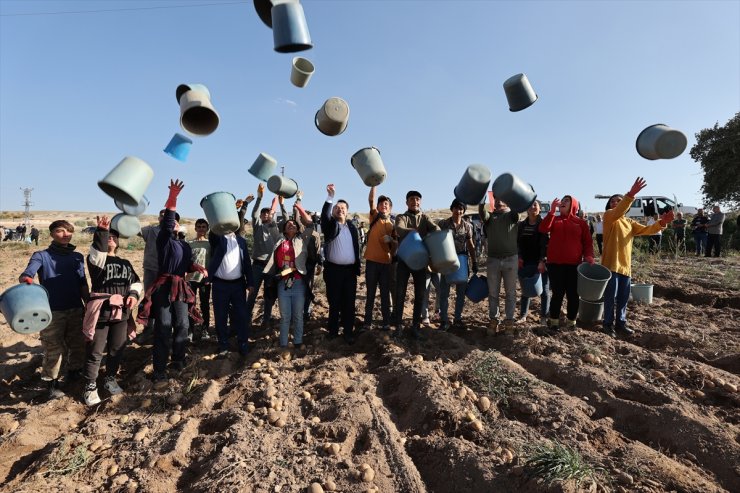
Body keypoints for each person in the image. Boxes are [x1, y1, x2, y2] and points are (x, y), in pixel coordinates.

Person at [136, 180, 207, 389]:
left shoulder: (183, 245)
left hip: (180, 286)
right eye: (171, 221)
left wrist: (197, 268)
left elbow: (185, 264)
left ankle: (178, 358)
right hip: (164, 285)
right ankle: (159, 369)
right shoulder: (164, 239)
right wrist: (173, 197)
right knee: (164, 327)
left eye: (176, 221)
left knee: (183, 324)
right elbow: (167, 220)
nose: (173, 223)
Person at [19, 219, 89, 399]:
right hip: (52, 312)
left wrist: (88, 303)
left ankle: (74, 373)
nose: (65, 234)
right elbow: (28, 274)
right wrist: (27, 279)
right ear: (51, 234)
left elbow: (82, 283)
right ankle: (52, 384)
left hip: (75, 308)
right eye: (60, 231)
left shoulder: (77, 257)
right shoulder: (41, 255)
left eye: (69, 231)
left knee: (78, 344)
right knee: (54, 349)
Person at [601, 177, 673, 337]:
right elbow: (618, 211)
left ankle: (621, 324)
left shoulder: (629, 222)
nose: (615, 203)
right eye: (613, 201)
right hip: (610, 265)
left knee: (623, 299)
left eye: (618, 201)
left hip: (625, 267)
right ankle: (607, 324)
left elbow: (648, 230)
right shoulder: (609, 217)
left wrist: (661, 223)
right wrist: (630, 194)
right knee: (609, 298)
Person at [82, 215, 142, 405]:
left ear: (119, 242)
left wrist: (133, 295)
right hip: (101, 312)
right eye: (108, 236)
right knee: (96, 350)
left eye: (114, 237)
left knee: (117, 349)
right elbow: (97, 251)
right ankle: (90, 386)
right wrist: (101, 231)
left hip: (122, 312)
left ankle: (109, 378)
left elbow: (137, 282)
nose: (111, 239)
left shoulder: (126, 263)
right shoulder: (96, 261)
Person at [539, 194, 594, 331]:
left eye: (567, 201)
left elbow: (587, 242)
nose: (563, 202)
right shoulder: (554, 219)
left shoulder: (581, 223)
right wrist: (551, 212)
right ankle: (554, 322)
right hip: (555, 264)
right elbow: (543, 229)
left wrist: (589, 256)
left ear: (573, 205)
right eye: (562, 200)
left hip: (574, 265)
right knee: (557, 294)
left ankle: (571, 322)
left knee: (573, 294)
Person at [208, 199, 256, 358]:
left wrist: (250, 283)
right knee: (220, 315)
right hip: (220, 285)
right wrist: (230, 210)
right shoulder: (218, 239)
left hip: (238, 285)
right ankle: (223, 344)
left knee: (241, 315)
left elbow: (247, 264)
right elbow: (213, 233)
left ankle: (243, 343)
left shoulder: (241, 241)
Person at [263, 203, 314, 348]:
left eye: (294, 224)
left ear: (298, 228)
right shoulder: (279, 239)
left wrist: (299, 207)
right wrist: (275, 204)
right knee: (285, 316)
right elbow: (271, 221)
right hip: (282, 282)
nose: (291, 225)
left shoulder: (302, 239)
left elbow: (310, 224)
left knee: (298, 315)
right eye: (288, 224)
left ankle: (298, 341)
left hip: (298, 282)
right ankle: (283, 343)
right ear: (284, 228)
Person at [394, 190, 440, 339]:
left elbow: (436, 229)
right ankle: (399, 327)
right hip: (404, 260)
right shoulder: (402, 217)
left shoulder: (424, 217)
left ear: (420, 202)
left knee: (420, 295)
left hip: (421, 261)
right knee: (400, 294)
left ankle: (415, 327)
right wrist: (413, 232)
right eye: (412, 199)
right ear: (407, 202)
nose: (415, 201)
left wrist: (433, 234)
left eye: (417, 199)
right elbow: (399, 230)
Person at [321, 184, 362, 344]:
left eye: (343, 208)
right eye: (337, 208)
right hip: (334, 271)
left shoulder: (352, 227)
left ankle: (348, 331)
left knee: (349, 302)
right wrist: (330, 197)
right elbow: (325, 216)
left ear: (347, 211)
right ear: (333, 211)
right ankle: (332, 331)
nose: (340, 210)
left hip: (350, 271)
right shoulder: (330, 226)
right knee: (334, 301)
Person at [479, 193, 520, 334]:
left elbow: (517, 212)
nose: (498, 201)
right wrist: (481, 200)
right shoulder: (490, 217)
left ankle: (509, 321)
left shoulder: (512, 216)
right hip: (493, 260)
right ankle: (493, 320)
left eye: (502, 199)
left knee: (510, 293)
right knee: (493, 293)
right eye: (496, 199)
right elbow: (482, 212)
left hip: (511, 260)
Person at [244, 184, 284, 328]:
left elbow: (283, 218)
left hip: (271, 266)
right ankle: (246, 319)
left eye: (268, 213)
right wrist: (259, 198)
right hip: (257, 265)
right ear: (261, 216)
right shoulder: (257, 227)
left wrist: (280, 204)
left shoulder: (276, 228)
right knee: (252, 294)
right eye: (263, 213)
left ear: (271, 215)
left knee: (269, 295)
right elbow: (254, 213)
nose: (265, 215)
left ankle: (266, 320)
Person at [438, 199, 477, 331]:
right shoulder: (443, 224)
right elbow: (437, 241)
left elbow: (471, 245)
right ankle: (444, 319)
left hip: (462, 259)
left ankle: (458, 318)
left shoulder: (467, 226)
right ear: (452, 209)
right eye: (456, 208)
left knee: (461, 292)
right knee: (444, 292)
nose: (458, 211)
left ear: (463, 211)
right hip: (447, 261)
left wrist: (474, 262)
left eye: (461, 209)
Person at [362, 186, 398, 331]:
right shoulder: (374, 216)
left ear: (390, 208)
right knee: (370, 293)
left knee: (384, 294)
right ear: (377, 207)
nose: (384, 205)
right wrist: (373, 184)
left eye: (386, 204)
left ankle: (386, 323)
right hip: (371, 261)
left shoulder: (392, 225)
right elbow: (370, 200)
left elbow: (396, 247)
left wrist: (392, 240)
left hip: (386, 263)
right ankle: (367, 323)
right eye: (381, 203)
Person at [136, 209, 170, 344]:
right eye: (161, 215)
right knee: (149, 299)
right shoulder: (150, 230)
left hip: (166, 272)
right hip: (151, 269)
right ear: (158, 218)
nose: (163, 218)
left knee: (165, 300)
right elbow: (134, 230)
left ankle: (163, 329)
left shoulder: (173, 232)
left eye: (166, 216)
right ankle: (148, 328)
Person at [517, 200, 549, 325]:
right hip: (525, 261)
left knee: (545, 290)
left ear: (540, 209)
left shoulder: (544, 224)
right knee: (525, 289)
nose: (532, 207)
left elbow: (545, 244)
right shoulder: (522, 225)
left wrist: (542, 261)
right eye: (530, 205)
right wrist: (519, 257)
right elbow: (518, 243)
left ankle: (544, 317)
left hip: (541, 261)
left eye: (535, 205)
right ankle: (523, 315)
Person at [187, 218, 212, 341]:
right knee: (191, 305)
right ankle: (190, 331)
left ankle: (205, 330)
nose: (201, 229)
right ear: (195, 228)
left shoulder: (210, 243)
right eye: (199, 226)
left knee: (205, 305)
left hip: (204, 279)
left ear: (207, 229)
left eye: (204, 226)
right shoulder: (189, 243)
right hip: (191, 278)